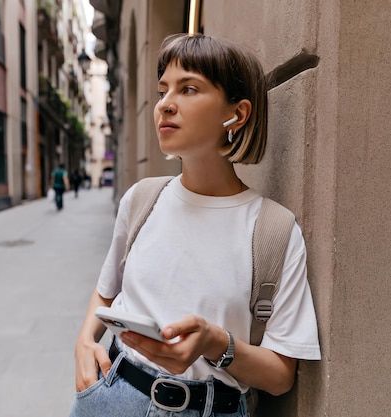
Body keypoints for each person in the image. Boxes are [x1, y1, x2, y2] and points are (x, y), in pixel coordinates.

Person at [70, 33, 320, 417]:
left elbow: (281, 375)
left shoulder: (273, 230)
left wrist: (215, 342)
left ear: (236, 114)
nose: (165, 105)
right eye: (162, 90)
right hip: (113, 395)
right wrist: (85, 341)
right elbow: (106, 292)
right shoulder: (141, 199)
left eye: (188, 89)